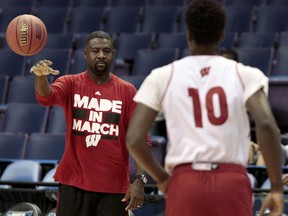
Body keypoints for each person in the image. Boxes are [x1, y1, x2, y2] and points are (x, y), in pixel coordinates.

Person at [126, 0, 284, 216]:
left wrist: (161, 177)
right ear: (221, 33)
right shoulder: (245, 74)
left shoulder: (163, 76)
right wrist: (275, 187)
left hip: (185, 181)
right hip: (231, 180)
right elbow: (266, 125)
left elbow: (134, 139)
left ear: (189, 35)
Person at [30, 31, 151, 216]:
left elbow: (141, 139)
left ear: (113, 54)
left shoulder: (127, 91)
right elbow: (46, 98)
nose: (101, 55)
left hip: (114, 189)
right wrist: (40, 77)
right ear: (86, 54)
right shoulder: (70, 83)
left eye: (107, 51)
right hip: (74, 185)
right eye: (96, 50)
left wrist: (140, 180)